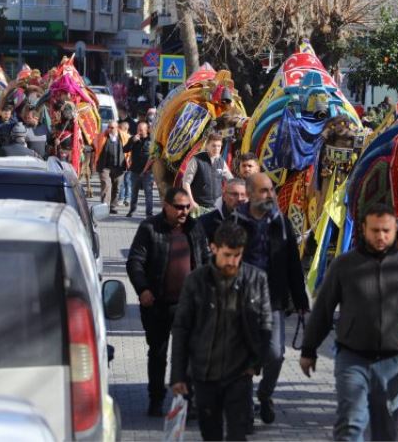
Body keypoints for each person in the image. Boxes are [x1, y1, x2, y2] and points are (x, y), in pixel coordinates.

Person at [300, 203, 398, 441]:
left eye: (386, 230)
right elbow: (323, 310)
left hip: (394, 362)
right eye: (375, 230)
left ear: (396, 228)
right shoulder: (344, 265)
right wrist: (308, 349)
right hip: (352, 358)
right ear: (363, 229)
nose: (381, 236)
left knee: (385, 431)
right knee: (350, 424)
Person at [170, 222, 273, 441]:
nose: (232, 262)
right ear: (213, 248)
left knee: (237, 433)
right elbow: (181, 329)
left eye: (237, 255)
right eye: (227, 255)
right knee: (211, 433)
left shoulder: (256, 279)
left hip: (239, 373)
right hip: (205, 373)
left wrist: (256, 363)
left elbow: (265, 325)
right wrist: (178, 375)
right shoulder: (196, 281)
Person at [229, 172, 309, 424]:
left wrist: (301, 302)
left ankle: (264, 394)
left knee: (275, 354)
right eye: (264, 191)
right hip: (240, 303)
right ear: (250, 194)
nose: (270, 195)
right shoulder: (234, 222)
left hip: (273, 301)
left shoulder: (281, 223)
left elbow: (293, 265)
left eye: (272, 190)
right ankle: (244, 412)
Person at [125, 187, 211, 417]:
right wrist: (143, 289)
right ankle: (155, 399)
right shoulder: (150, 228)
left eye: (187, 207)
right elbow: (135, 261)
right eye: (179, 207)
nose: (184, 211)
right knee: (158, 353)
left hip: (190, 306)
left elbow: (206, 260)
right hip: (159, 305)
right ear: (166, 205)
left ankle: (187, 402)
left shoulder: (195, 228)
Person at [182, 133, 234, 214]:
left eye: (219, 146)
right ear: (207, 145)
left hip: (217, 207)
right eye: (213, 145)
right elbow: (186, 183)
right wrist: (191, 202)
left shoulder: (221, 161)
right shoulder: (196, 160)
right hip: (199, 207)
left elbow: (231, 181)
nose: (216, 148)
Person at [92, 121, 130, 214]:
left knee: (116, 187)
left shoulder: (124, 137)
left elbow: (131, 147)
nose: (109, 129)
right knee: (106, 186)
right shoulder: (102, 137)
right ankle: (104, 207)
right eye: (108, 127)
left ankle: (113, 206)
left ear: (117, 128)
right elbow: (93, 145)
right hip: (105, 167)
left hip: (119, 167)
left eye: (112, 127)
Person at [126, 121, 154, 218]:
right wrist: (132, 141)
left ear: (146, 130)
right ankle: (132, 210)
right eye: (138, 129)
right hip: (135, 171)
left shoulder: (151, 140)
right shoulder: (133, 139)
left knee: (148, 193)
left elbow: (153, 156)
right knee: (134, 192)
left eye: (141, 130)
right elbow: (125, 149)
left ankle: (149, 213)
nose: (139, 132)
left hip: (148, 172)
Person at [117, 121, 133, 207]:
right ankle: (122, 198)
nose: (119, 130)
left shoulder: (129, 137)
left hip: (128, 163)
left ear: (125, 129)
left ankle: (126, 198)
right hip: (123, 163)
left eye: (120, 128)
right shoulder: (119, 137)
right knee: (124, 182)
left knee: (127, 182)